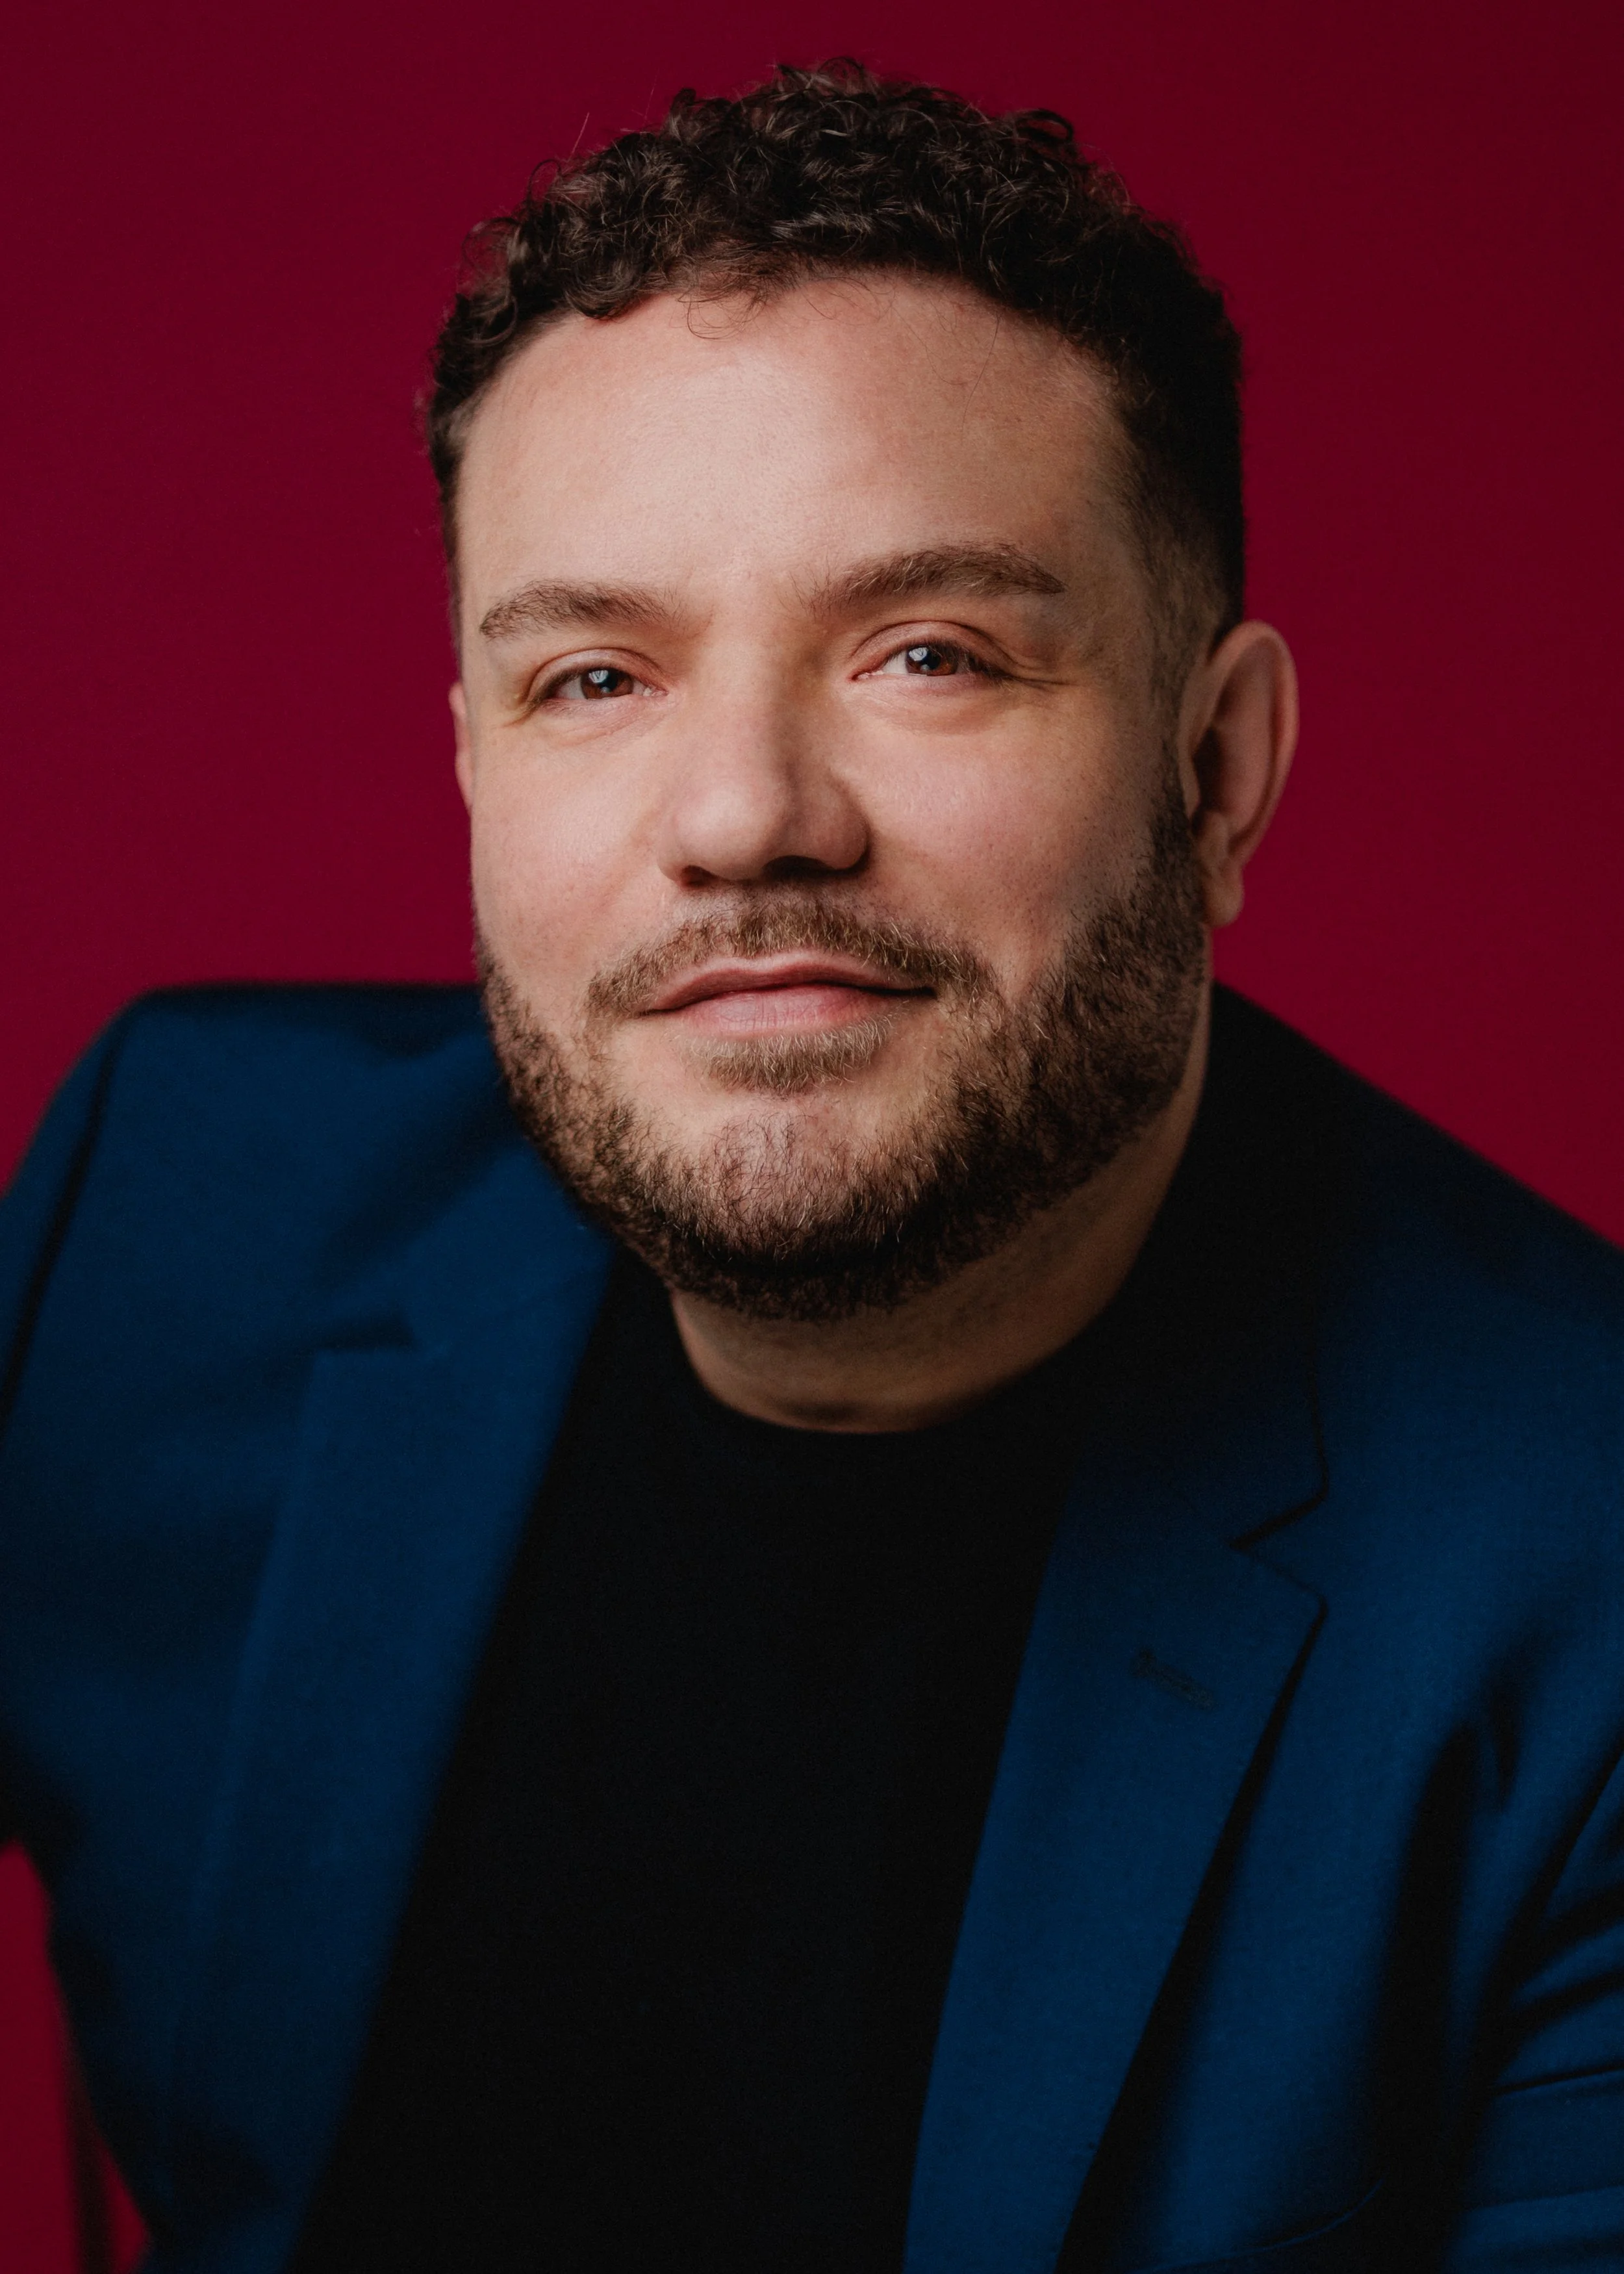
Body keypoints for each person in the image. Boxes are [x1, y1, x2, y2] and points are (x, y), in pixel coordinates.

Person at [1, 58, 1620, 2274]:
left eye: (927, 652)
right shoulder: (169, 1213)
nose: (743, 811)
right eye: (595, 675)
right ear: (472, 763)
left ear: (1217, 771)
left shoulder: (1577, 1569)